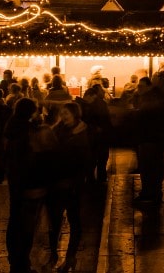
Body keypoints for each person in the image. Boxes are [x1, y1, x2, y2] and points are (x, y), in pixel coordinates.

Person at [4, 97, 58, 273]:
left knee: (15, 221)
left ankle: (15, 261)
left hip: (15, 182)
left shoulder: (12, 127)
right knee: (26, 226)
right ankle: (22, 263)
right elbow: (36, 158)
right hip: (30, 184)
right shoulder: (28, 132)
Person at [47, 102, 91, 272]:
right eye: (62, 113)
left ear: (75, 114)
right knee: (54, 221)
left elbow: (85, 161)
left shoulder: (81, 133)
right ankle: (53, 255)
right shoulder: (57, 129)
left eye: (67, 113)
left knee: (74, 220)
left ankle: (70, 256)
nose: (64, 116)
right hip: (56, 183)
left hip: (72, 184)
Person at [133, 77, 164, 204]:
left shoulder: (150, 99)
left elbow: (145, 117)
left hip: (149, 137)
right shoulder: (157, 98)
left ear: (149, 86)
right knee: (154, 166)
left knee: (149, 167)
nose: (139, 89)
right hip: (155, 138)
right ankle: (153, 191)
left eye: (141, 86)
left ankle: (150, 192)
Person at [79, 83, 112, 183]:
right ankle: (99, 179)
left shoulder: (88, 105)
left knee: (93, 159)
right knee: (100, 159)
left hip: (94, 137)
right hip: (99, 137)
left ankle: (91, 179)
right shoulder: (98, 104)